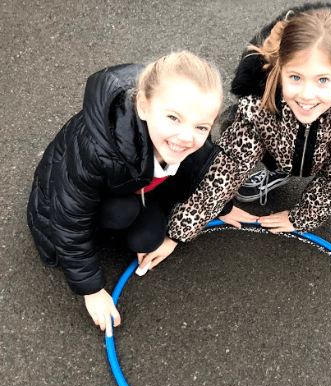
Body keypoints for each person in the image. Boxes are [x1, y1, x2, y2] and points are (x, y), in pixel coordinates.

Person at [164, 3, 331, 252]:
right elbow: (230, 165)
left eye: (322, 80)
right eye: (295, 77)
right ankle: (281, 170)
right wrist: (179, 231)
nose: (307, 95)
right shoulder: (260, 102)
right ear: (281, 69)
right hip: (283, 148)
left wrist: (300, 217)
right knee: (236, 128)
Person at [27, 52, 246, 335]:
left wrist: (224, 208)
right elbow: (68, 218)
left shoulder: (185, 140)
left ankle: (127, 216)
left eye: (201, 126)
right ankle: (114, 220)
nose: (186, 137)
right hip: (68, 203)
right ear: (143, 106)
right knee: (122, 211)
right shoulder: (96, 150)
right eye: (173, 118)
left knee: (148, 239)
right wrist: (92, 290)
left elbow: (202, 173)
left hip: (136, 188)